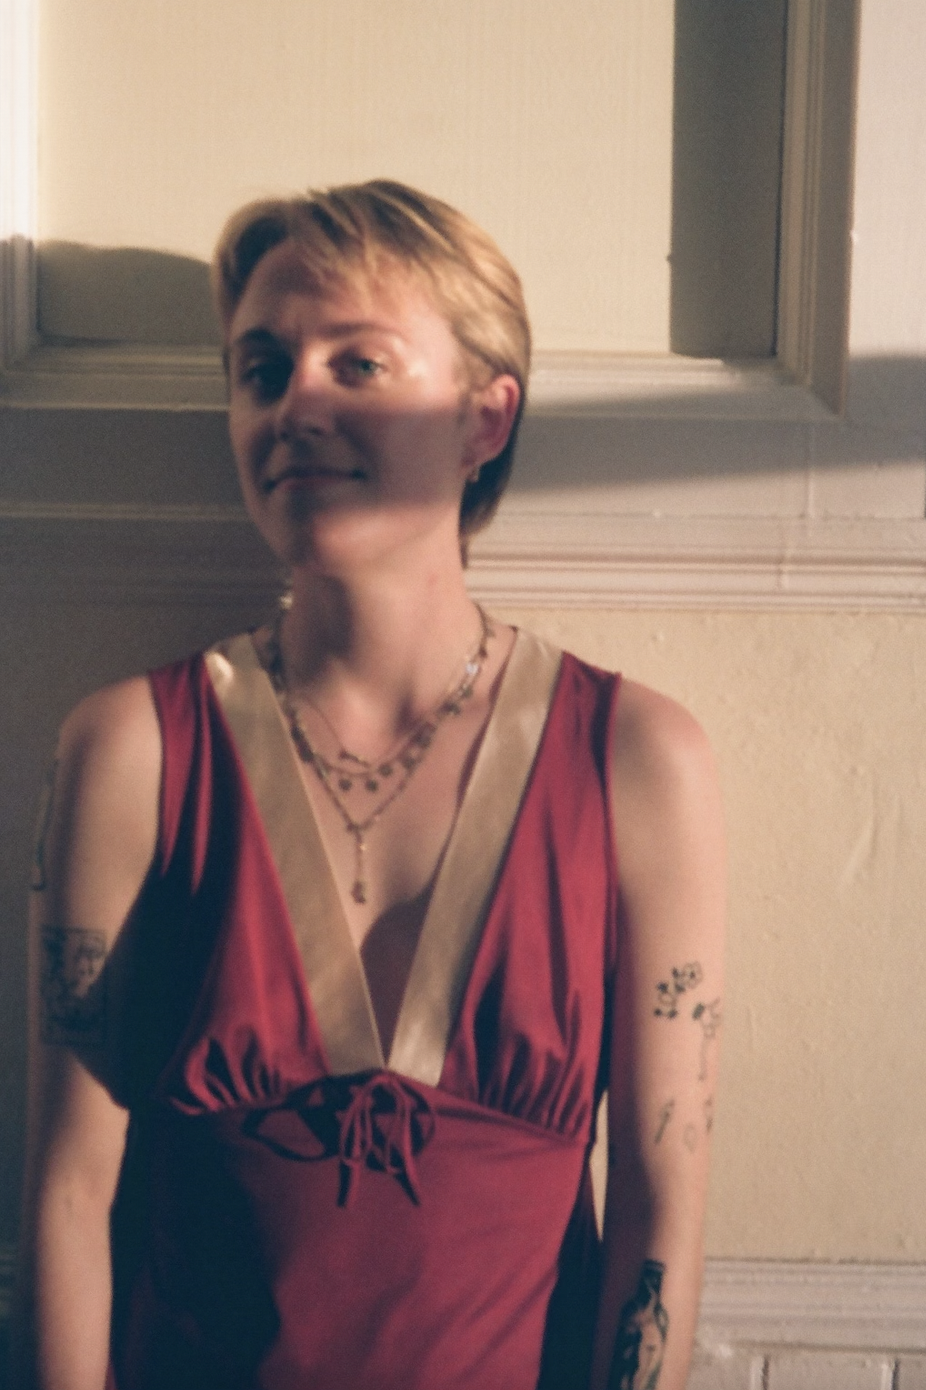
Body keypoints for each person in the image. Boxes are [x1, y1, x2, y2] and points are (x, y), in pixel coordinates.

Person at [16, 180, 725, 1390]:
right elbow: (71, 1195)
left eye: (358, 364)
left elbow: (661, 1205)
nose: (293, 404)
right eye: (261, 369)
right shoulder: (133, 749)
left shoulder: (637, 760)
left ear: (484, 418)